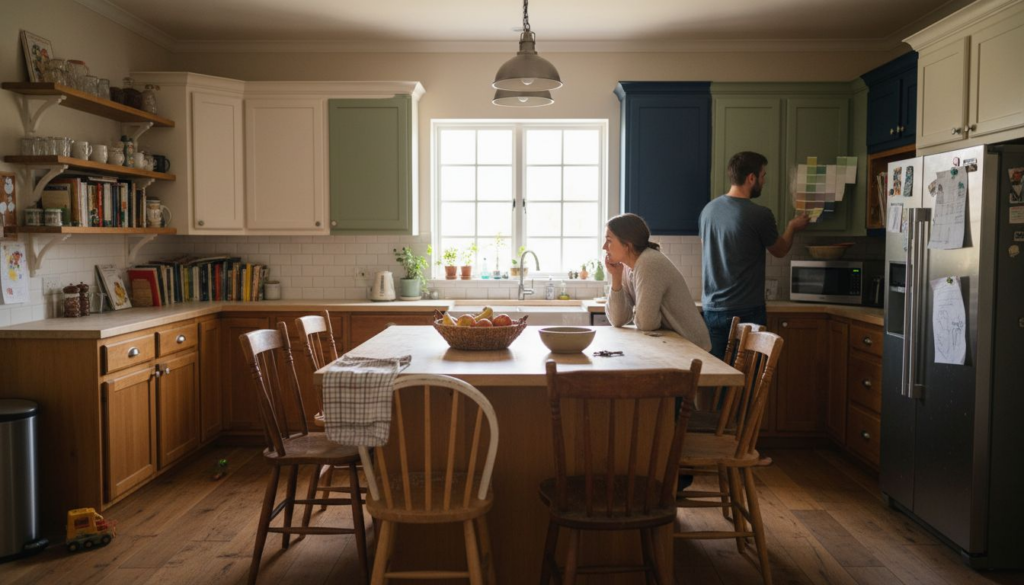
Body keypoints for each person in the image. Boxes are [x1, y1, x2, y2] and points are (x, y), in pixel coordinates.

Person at [699, 151, 810, 359]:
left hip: (712, 309)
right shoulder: (759, 214)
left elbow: (707, 248)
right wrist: (792, 227)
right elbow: (779, 250)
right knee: (746, 380)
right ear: (751, 178)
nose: (764, 180)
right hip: (746, 311)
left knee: (717, 376)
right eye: (763, 175)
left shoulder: (708, 211)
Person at [604, 213, 711, 351]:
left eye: (609, 240)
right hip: (673, 344)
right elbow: (618, 320)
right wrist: (616, 278)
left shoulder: (648, 263)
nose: (604, 247)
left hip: (693, 348)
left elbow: (646, 323)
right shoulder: (627, 267)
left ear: (627, 245)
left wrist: (641, 314)